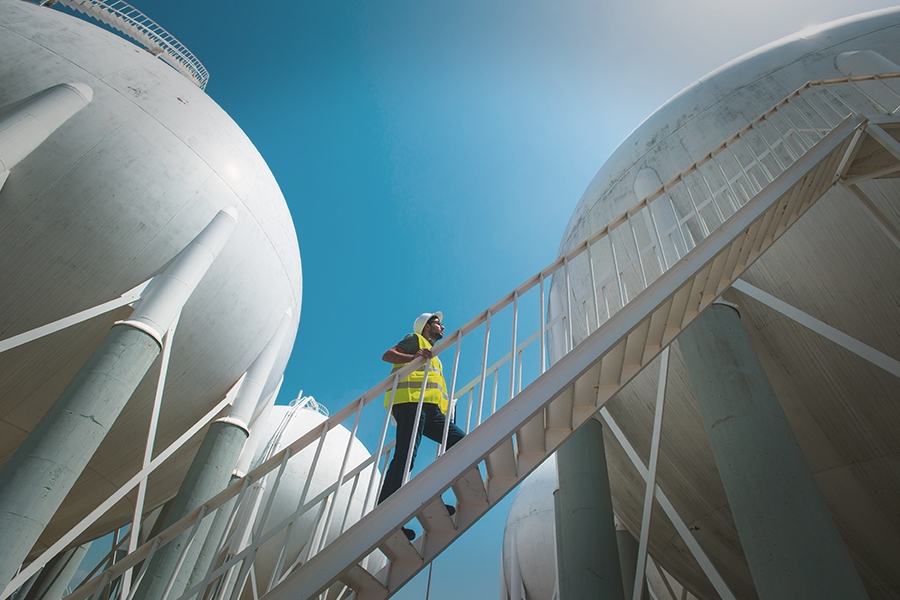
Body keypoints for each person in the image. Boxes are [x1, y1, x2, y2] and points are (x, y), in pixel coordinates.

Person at [377, 311, 465, 539]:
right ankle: (384, 513)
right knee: (405, 456)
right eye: (438, 323)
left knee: (461, 442)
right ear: (427, 326)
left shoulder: (434, 355)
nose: (443, 327)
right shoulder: (415, 340)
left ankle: (431, 493)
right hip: (411, 403)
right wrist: (414, 357)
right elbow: (387, 355)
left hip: (430, 410)